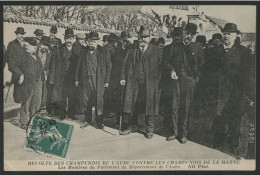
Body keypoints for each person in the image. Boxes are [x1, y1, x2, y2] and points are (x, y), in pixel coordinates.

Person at [211, 23, 252, 155]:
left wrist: (244, 92)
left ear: (236, 36)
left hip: (235, 91)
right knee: (218, 118)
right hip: (218, 91)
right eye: (225, 33)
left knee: (235, 120)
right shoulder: (215, 50)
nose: (227, 36)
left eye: (230, 34)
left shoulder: (243, 51)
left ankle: (233, 145)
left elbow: (247, 74)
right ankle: (217, 142)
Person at [163, 23, 204, 144]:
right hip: (175, 80)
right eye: (187, 33)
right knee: (174, 107)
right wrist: (171, 70)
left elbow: (202, 66)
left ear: (194, 35)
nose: (188, 36)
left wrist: (196, 79)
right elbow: (166, 62)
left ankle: (183, 134)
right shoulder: (175, 46)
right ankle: (173, 132)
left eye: (191, 34)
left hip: (189, 82)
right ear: (183, 33)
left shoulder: (198, 49)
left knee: (185, 109)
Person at [120, 28, 162, 139]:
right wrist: (123, 77)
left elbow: (161, 66)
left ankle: (149, 129)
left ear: (149, 38)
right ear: (138, 37)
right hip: (134, 82)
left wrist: (157, 80)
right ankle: (132, 126)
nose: (143, 39)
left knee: (149, 105)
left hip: (150, 83)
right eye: (141, 37)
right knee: (132, 103)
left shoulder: (156, 51)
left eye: (145, 37)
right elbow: (124, 65)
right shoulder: (131, 50)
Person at [75, 32, 112, 129]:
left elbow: (109, 66)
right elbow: (78, 66)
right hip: (85, 80)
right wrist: (77, 79)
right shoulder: (83, 51)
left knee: (98, 101)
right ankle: (87, 120)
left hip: (98, 81)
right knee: (86, 100)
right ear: (87, 42)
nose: (92, 43)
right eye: (90, 41)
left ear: (98, 42)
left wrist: (107, 80)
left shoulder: (103, 51)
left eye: (94, 41)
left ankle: (99, 122)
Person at [8, 39, 44, 129]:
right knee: (26, 100)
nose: (35, 48)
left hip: (38, 81)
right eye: (27, 46)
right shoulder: (21, 55)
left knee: (36, 101)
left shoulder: (36, 55)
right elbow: (12, 65)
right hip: (27, 81)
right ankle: (24, 122)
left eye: (35, 46)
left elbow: (40, 67)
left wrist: (43, 76)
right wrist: (20, 74)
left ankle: (34, 120)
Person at [52, 28, 75, 120]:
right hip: (62, 76)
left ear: (73, 39)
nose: (68, 41)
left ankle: (71, 113)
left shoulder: (78, 49)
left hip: (73, 77)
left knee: (73, 95)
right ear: (64, 39)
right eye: (67, 38)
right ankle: (62, 113)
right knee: (63, 95)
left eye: (70, 38)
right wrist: (53, 76)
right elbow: (54, 63)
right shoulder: (59, 49)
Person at [111, 31, 132, 126]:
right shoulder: (116, 49)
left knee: (126, 99)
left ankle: (126, 121)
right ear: (120, 40)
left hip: (128, 77)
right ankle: (117, 120)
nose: (125, 42)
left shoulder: (131, 49)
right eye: (123, 40)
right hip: (116, 77)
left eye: (127, 40)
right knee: (118, 100)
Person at [5, 27, 27, 103]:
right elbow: (9, 59)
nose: (21, 36)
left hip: (25, 70)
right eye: (19, 34)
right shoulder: (12, 44)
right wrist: (18, 72)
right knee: (18, 93)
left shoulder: (25, 44)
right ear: (16, 34)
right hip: (17, 70)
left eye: (22, 34)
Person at [46, 25, 62, 115]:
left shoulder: (59, 41)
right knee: (48, 88)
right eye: (52, 32)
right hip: (48, 64)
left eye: (54, 32)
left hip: (55, 65)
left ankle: (54, 110)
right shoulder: (46, 40)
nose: (52, 34)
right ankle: (48, 108)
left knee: (54, 89)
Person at [37, 36, 51, 108]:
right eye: (43, 44)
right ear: (39, 44)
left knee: (43, 93)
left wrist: (46, 72)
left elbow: (49, 66)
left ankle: (41, 107)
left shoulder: (48, 55)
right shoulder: (35, 53)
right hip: (35, 76)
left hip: (44, 76)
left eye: (46, 45)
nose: (44, 47)